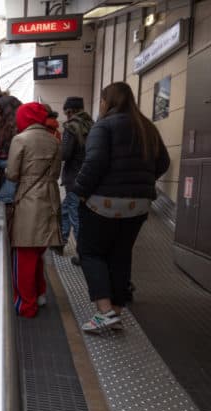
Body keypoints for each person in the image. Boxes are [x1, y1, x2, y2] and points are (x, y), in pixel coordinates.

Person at [74, 82, 170, 332]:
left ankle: (104, 310)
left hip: (103, 203)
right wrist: (141, 184)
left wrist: (80, 192)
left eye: (102, 100)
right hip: (138, 206)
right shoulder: (147, 127)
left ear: (107, 102)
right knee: (120, 255)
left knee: (90, 253)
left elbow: (94, 163)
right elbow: (164, 162)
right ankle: (115, 312)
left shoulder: (103, 126)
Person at [6, 102, 62, 318]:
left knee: (23, 256)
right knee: (38, 253)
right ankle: (40, 293)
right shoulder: (54, 139)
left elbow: (12, 173)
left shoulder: (20, 139)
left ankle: (26, 305)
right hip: (50, 198)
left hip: (29, 201)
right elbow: (56, 173)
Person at [59, 97, 94, 265]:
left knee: (76, 215)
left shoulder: (72, 127)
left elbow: (64, 153)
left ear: (70, 111)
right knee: (66, 209)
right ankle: (60, 241)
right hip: (89, 177)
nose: (66, 116)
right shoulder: (93, 125)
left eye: (66, 113)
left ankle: (84, 255)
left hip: (74, 178)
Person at [0, 95, 22, 203]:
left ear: (6, 112)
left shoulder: (15, 130)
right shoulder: (7, 126)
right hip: (9, 173)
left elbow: (16, 159)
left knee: (3, 200)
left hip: (13, 176)